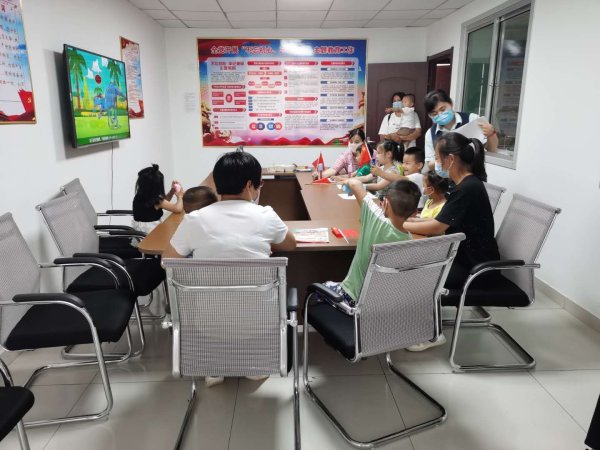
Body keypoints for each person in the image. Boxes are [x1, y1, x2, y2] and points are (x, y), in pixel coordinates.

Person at [165, 149, 296, 387]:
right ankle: (254, 367)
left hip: (206, 322)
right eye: (259, 185)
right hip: (260, 321)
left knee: (216, 304)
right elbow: (290, 244)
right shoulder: (265, 215)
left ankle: (215, 367)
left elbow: (168, 260)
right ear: (249, 185)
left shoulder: (195, 219)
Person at [403, 132, 499, 351]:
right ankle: (420, 322)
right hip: (464, 257)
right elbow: (441, 219)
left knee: (421, 273)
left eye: (438, 157)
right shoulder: (463, 185)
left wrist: (402, 225)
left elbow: (438, 226)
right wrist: (413, 221)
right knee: (417, 262)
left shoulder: (468, 188)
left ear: (451, 159)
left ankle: (433, 334)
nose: (436, 163)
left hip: (476, 268)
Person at [322, 179, 421, 306]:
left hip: (352, 300)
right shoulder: (409, 241)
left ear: (385, 203)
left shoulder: (374, 217)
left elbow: (354, 184)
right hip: (384, 305)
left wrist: (347, 182)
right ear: (415, 213)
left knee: (322, 288)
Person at [424, 89, 498, 171]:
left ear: (451, 103)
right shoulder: (430, 133)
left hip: (473, 174)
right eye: (434, 114)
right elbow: (430, 164)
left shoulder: (472, 119)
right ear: (430, 116)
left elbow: (492, 150)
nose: (440, 114)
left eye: (443, 109)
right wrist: (445, 159)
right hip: (447, 176)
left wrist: (491, 134)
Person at [132, 164, 183, 234]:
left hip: (139, 232)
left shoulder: (140, 196)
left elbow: (165, 201)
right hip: (151, 232)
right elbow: (178, 209)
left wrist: (171, 192)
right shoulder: (156, 200)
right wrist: (180, 196)